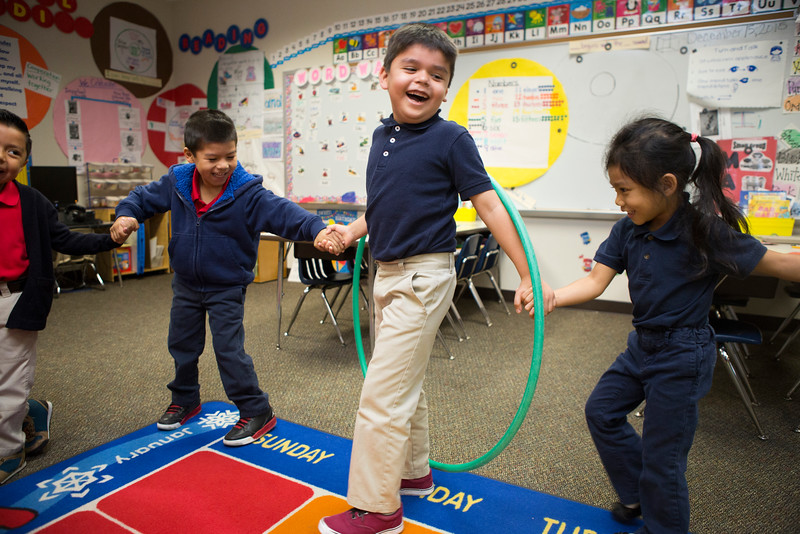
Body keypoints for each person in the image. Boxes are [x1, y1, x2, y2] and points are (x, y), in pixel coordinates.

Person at [318, 23, 555, 534]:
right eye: (411, 68)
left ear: (446, 88)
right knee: (405, 381)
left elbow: (489, 204)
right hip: (385, 273)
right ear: (385, 76)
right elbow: (380, 209)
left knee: (381, 395)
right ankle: (413, 473)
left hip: (423, 278)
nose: (423, 80)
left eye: (438, 74)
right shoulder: (383, 135)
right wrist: (349, 233)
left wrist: (526, 271)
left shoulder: (452, 139)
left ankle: (378, 508)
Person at [540, 117, 800, 534]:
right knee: (602, 411)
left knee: (663, 461)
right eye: (615, 191)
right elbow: (594, 281)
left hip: (684, 354)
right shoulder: (627, 231)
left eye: (625, 191)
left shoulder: (705, 232)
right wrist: (552, 296)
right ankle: (637, 494)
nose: (619, 202)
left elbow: (780, 262)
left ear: (666, 184)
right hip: (642, 346)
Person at [110, 109, 342, 447]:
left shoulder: (246, 192)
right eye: (212, 158)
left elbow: (284, 213)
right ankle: (186, 399)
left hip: (226, 285)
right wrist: (126, 215)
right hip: (187, 284)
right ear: (189, 156)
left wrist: (317, 230)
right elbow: (141, 198)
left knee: (228, 350)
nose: (223, 165)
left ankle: (256, 409)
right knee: (182, 345)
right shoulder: (176, 183)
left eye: (230, 156)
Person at [0, 109, 124, 484]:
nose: (1, 158)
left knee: (9, 378)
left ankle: (9, 451)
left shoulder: (32, 202)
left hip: (16, 301)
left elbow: (66, 238)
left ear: (24, 161)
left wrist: (109, 238)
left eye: (13, 152)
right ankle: (31, 411)